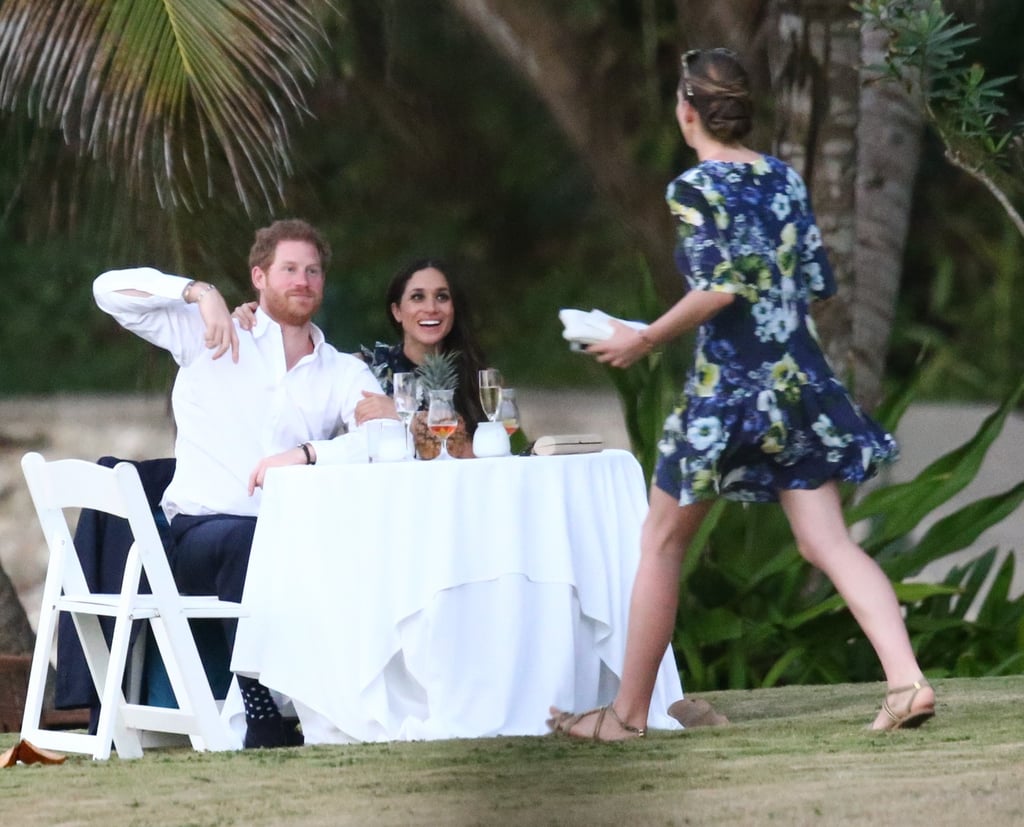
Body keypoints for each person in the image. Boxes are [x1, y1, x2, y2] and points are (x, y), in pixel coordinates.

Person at [548, 49, 934, 740]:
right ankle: (906, 681)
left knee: (662, 541)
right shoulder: (782, 179)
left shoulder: (696, 188)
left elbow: (721, 285)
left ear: (686, 109)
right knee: (829, 541)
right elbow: (810, 279)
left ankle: (627, 716)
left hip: (727, 394)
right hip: (796, 384)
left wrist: (645, 339)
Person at [94, 218, 386, 748]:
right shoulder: (212, 332)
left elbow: (385, 437)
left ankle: (350, 706)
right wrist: (198, 292)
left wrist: (308, 453)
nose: (303, 280)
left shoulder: (342, 371)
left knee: (352, 547)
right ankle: (258, 712)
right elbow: (108, 291)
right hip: (199, 539)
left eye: (313, 271)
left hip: (294, 540)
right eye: (290, 269)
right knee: (250, 540)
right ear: (259, 276)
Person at [234, 258, 491, 457]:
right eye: (417, 297)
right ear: (397, 311)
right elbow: (308, 369)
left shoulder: (473, 375)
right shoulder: (365, 368)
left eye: (442, 297)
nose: (431, 307)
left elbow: (481, 454)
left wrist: (400, 414)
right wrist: (260, 317)